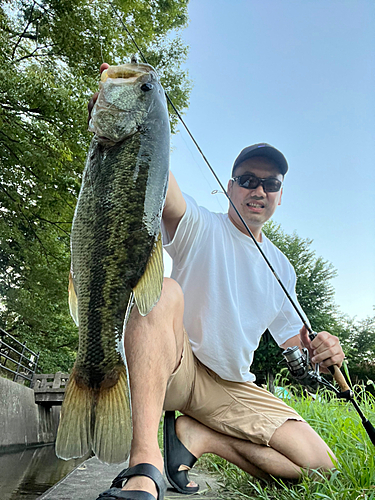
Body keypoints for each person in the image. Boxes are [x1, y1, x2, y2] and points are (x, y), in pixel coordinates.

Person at [93, 65, 345, 500]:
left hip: (233, 387)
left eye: (270, 183)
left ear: (281, 195)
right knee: (162, 291)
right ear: (230, 187)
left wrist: (325, 352)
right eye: (248, 180)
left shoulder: (284, 268)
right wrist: (128, 120)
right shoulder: (201, 225)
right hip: (176, 367)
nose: (258, 189)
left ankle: (198, 438)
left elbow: (298, 349)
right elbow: (162, 188)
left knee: (321, 468)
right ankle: (144, 464)